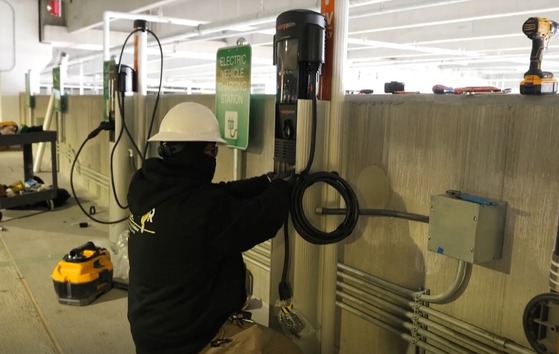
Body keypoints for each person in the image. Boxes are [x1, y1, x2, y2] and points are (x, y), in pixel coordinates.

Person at [127, 102, 302, 354]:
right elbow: (263, 218)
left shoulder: (146, 186)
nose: (213, 158)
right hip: (190, 340)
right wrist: (284, 188)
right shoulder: (202, 211)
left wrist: (264, 182)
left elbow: (218, 193)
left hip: (151, 333)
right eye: (211, 151)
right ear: (194, 153)